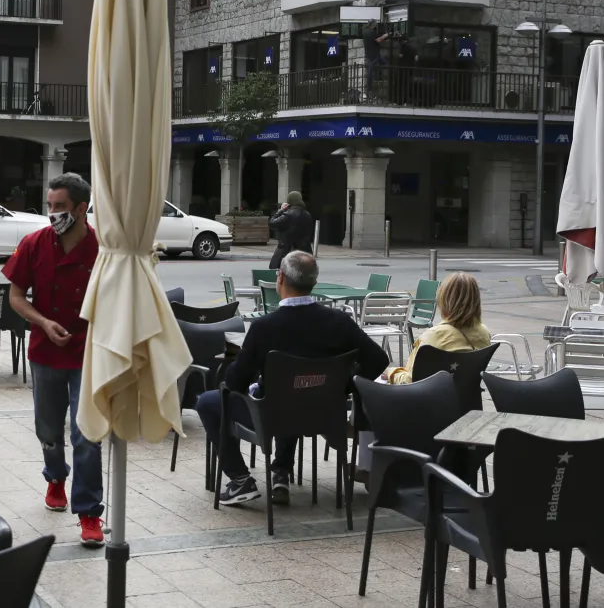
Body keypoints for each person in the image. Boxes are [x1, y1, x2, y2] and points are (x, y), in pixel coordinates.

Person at [195, 251, 390, 506]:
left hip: (272, 415)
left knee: (210, 402)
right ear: (314, 282)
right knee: (295, 389)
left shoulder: (265, 327)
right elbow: (379, 360)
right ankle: (281, 471)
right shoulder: (340, 323)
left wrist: (243, 364)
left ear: (281, 278)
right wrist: (345, 385)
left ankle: (241, 480)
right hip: (324, 413)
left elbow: (234, 384)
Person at [3, 172, 105, 548]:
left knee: (87, 433)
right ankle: (55, 476)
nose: (53, 214)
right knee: (48, 429)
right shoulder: (34, 243)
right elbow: (15, 296)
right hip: (45, 351)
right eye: (50, 206)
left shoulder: (103, 250)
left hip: (87, 354)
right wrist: (44, 323)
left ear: (81, 209)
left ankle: (90, 512)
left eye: (60, 207)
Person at [385, 272, 491, 385]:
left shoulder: (435, 336)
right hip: (467, 400)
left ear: (444, 300)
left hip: (432, 400)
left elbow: (411, 381)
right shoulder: (483, 332)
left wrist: (390, 373)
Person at [268, 191, 314, 269]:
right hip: (304, 250)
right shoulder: (307, 215)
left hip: (286, 249)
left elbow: (272, 223)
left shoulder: (288, 214)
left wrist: (281, 210)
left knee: (278, 271)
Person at [363, 20, 389, 100]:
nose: (376, 26)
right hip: (375, 55)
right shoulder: (372, 32)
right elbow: (378, 40)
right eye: (376, 25)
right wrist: (386, 35)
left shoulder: (365, 32)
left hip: (368, 55)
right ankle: (377, 82)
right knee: (382, 65)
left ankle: (371, 87)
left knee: (372, 69)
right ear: (373, 25)